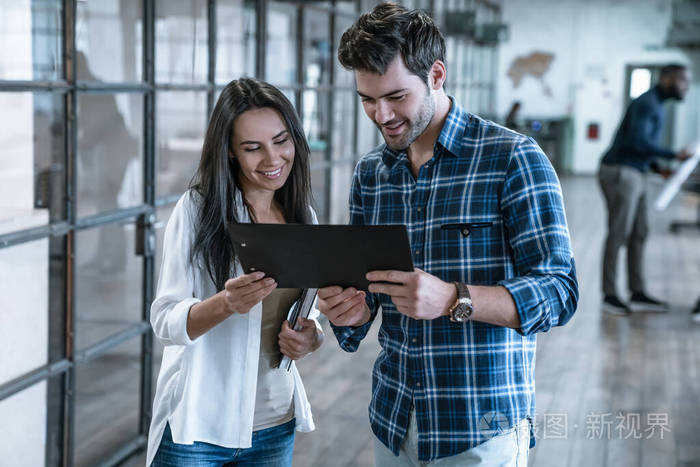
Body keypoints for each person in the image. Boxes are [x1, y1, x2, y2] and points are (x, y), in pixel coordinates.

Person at [317, 3, 579, 466]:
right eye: (367, 99)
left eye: (396, 96)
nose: (381, 115)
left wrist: (455, 298)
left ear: (436, 74)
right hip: (393, 420)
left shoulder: (513, 158)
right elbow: (367, 300)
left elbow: (560, 292)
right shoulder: (370, 174)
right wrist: (350, 312)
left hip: (479, 428)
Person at [146, 78, 324, 467]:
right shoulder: (196, 210)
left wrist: (311, 338)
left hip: (276, 421)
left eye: (281, 141)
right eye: (252, 148)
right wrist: (226, 304)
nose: (273, 159)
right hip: (200, 428)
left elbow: (307, 313)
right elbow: (164, 320)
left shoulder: (302, 218)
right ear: (229, 151)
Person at [598, 64, 692, 315]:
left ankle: (637, 292)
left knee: (640, 232)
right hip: (620, 172)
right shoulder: (648, 103)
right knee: (618, 234)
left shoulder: (657, 104)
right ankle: (609, 295)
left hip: (636, 171)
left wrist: (659, 167)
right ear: (667, 78)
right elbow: (638, 142)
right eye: (683, 80)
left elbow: (640, 147)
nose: (687, 86)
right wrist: (673, 154)